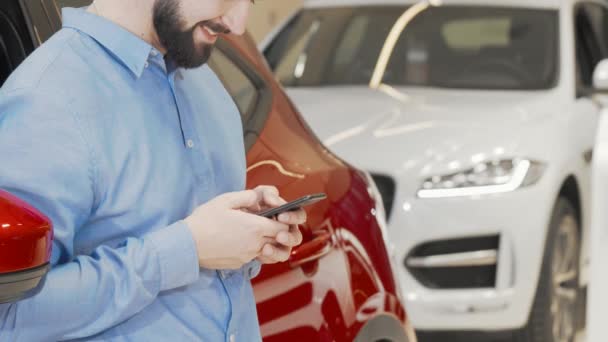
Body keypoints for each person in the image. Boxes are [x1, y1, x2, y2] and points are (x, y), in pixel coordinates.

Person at [0, 0, 306, 340]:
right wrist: (184, 250)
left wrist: (247, 234)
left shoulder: (209, 89)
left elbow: (209, 255)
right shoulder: (46, 101)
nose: (239, 24)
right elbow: (10, 316)